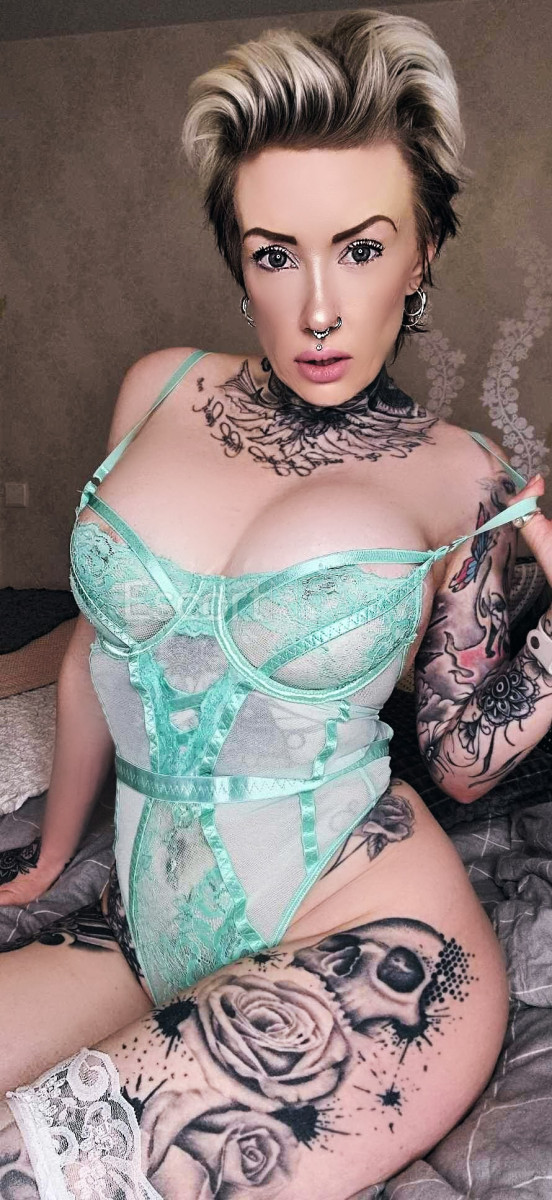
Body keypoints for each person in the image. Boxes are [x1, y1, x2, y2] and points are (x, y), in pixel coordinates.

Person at [0, 9, 550, 1197]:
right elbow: (100, 646)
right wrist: (51, 855)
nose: (317, 310)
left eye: (361, 249)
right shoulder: (159, 391)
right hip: (150, 914)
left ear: (424, 253)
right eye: (274, 253)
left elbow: (461, 762)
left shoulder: (468, 477)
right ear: (237, 257)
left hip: (365, 935)